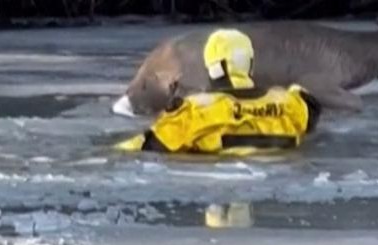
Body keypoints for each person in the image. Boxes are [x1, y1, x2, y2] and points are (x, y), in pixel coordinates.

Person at [116, 28, 321, 155]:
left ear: (213, 65)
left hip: (219, 181)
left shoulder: (194, 112)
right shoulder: (293, 105)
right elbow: (311, 113)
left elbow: (143, 148)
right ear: (250, 64)